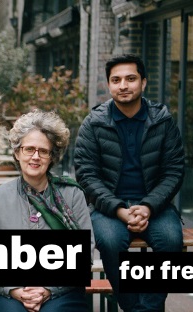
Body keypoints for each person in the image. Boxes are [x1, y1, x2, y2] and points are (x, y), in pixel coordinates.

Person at [74, 54, 185, 312]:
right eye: (116, 80)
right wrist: (120, 210)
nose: (123, 85)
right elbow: (87, 175)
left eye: (130, 78)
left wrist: (147, 206)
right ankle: (134, 307)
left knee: (171, 240)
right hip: (109, 208)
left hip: (156, 206)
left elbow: (174, 171)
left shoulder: (163, 121)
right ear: (109, 85)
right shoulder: (93, 123)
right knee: (111, 242)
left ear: (143, 83)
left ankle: (146, 309)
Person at [0, 110, 92, 312]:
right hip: (10, 291)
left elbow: (84, 254)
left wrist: (47, 290)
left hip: (62, 290)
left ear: (52, 156)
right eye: (29, 149)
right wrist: (16, 291)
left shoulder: (72, 195)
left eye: (43, 151)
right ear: (17, 152)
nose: (35, 156)